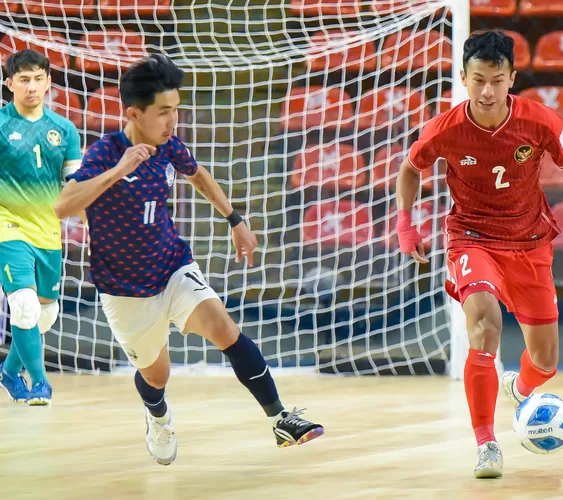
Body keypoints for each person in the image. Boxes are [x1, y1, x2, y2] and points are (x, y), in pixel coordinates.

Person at [54, 54, 323, 465]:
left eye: (176, 109)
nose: (173, 120)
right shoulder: (108, 151)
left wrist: (235, 219)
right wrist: (118, 170)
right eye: (164, 112)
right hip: (125, 290)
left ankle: (280, 419)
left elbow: (197, 174)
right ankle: (158, 417)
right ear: (134, 114)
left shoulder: (169, 146)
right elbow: (63, 205)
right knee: (156, 376)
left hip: (172, 266)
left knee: (224, 327)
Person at [396, 30, 563, 478]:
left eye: (496, 80)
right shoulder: (446, 128)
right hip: (472, 237)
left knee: (546, 361)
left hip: (530, 243)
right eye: (478, 80)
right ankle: (487, 443)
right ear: (464, 79)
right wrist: (405, 225)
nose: (487, 91)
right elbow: (410, 169)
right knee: (485, 325)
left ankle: (520, 387)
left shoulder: (540, 122)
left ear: (512, 78)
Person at [0, 49, 82, 405]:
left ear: (48, 82)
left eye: (38, 79)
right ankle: (40, 384)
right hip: (8, 225)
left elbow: (75, 185)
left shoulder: (64, 130)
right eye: (23, 80)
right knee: (23, 306)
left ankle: (7, 371)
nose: (31, 87)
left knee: (44, 316)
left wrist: (93, 225)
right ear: (9, 84)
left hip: (48, 230)